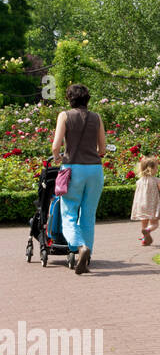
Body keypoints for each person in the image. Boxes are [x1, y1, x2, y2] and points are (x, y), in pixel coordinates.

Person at [49, 83, 107, 274]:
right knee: (89, 214)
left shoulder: (64, 115)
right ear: (87, 99)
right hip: (95, 170)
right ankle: (87, 255)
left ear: (70, 98)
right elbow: (103, 149)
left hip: (72, 168)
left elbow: (56, 146)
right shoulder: (97, 117)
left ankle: (79, 246)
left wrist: (58, 157)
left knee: (69, 212)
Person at [131, 155, 160, 245]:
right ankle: (148, 230)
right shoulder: (156, 180)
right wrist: (159, 198)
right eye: (156, 168)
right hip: (152, 205)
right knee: (155, 224)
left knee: (144, 224)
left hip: (141, 205)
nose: (157, 170)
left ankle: (144, 240)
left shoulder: (139, 181)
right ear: (151, 169)